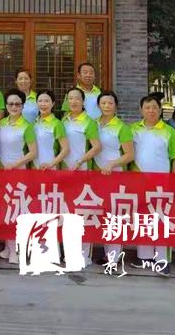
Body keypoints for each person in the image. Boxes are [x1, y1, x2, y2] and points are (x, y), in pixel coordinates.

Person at [129, 94, 175, 275]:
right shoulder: (133, 130)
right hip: (138, 182)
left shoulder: (170, 132)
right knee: (142, 219)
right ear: (141, 110)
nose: (151, 111)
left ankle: (162, 259)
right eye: (147, 107)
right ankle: (144, 257)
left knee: (161, 220)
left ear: (160, 110)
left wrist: (174, 183)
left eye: (154, 107)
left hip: (161, 184)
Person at [0, 88, 38, 265]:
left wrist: (14, 165)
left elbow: (33, 152)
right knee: (5, 211)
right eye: (10, 104)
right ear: (6, 106)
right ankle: (8, 246)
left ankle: (17, 250)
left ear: (22, 106)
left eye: (17, 104)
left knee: (16, 212)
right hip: (2, 172)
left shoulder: (27, 126)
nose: (14, 107)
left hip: (18, 173)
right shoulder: (2, 123)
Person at [94, 90, 135, 263]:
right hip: (96, 174)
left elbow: (129, 155)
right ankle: (107, 253)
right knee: (103, 213)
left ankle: (114, 256)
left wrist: (112, 164)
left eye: (110, 103)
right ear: (98, 105)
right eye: (103, 103)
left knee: (115, 214)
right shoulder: (93, 124)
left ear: (116, 106)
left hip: (115, 175)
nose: (107, 106)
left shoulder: (122, 127)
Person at [62, 86, 101, 266]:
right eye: (70, 98)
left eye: (77, 98)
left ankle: (85, 254)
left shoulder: (89, 122)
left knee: (83, 215)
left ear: (83, 101)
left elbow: (96, 147)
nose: (73, 101)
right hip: (65, 173)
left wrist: (80, 161)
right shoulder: (63, 120)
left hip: (83, 172)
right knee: (68, 213)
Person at [32, 89, 69, 170]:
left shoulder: (57, 124)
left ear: (53, 104)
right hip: (34, 167)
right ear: (36, 103)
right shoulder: (34, 123)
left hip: (50, 168)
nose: (43, 104)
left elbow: (65, 149)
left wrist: (51, 164)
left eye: (46, 101)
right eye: (40, 101)